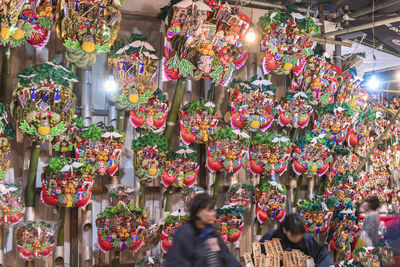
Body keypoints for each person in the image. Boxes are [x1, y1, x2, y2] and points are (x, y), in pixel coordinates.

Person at [166, 192, 241, 267]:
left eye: (213, 210)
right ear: (198, 212)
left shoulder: (212, 233)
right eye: (209, 210)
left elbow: (228, 258)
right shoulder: (185, 233)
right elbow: (176, 262)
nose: (213, 214)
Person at [260, 214, 331, 267]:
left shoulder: (307, 240)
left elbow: (324, 256)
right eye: (294, 235)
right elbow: (257, 257)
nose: (298, 238)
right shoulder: (271, 237)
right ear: (284, 230)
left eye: (300, 234)